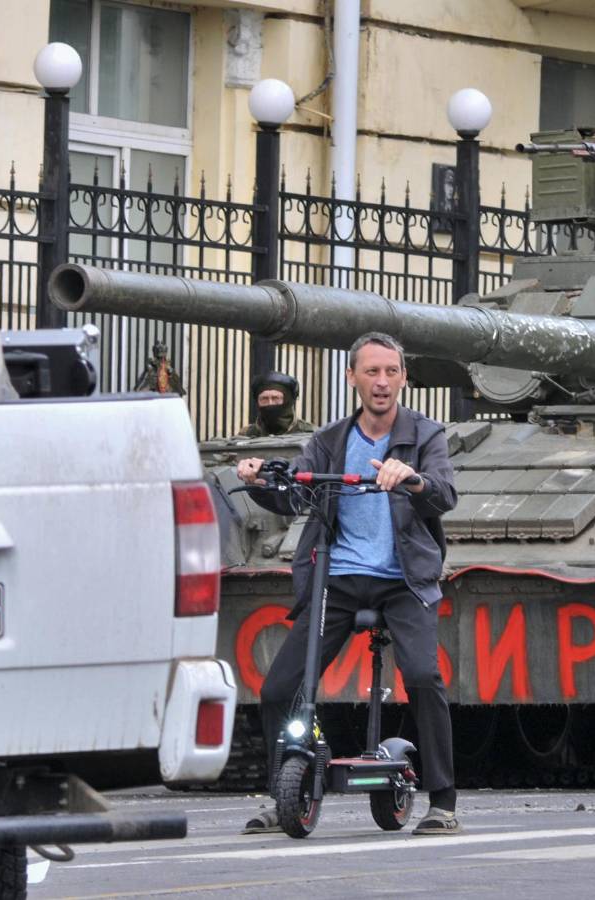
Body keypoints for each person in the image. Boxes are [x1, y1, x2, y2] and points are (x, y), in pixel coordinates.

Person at [236, 332, 460, 835]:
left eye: (391, 372)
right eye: (372, 372)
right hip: (336, 580)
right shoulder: (330, 440)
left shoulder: (425, 436)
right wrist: (260, 481)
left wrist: (411, 477)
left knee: (423, 677)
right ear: (352, 377)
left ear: (403, 378)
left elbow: (444, 493)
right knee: (279, 688)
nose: (382, 382)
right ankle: (284, 791)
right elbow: (295, 494)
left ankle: (443, 801)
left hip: (404, 580)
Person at [235, 371, 315, 437]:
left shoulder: (311, 433)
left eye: (275, 398)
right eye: (264, 399)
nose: (270, 403)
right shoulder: (246, 434)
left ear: (288, 400)